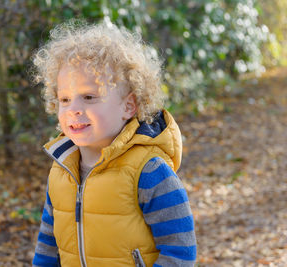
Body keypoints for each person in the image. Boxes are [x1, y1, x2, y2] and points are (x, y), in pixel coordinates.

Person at [31, 20, 196, 267]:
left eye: (89, 97)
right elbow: (47, 247)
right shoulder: (61, 171)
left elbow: (180, 250)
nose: (74, 109)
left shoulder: (149, 171)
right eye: (65, 99)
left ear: (128, 105)